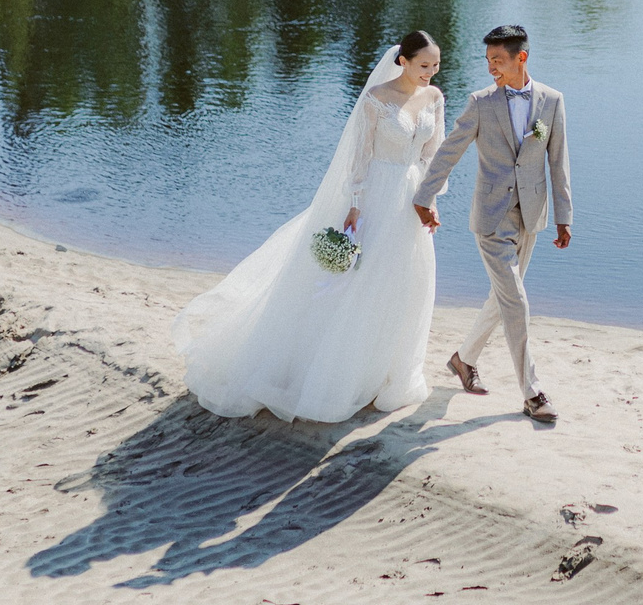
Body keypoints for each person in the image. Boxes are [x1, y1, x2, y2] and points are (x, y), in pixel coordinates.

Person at [170, 32, 445, 423]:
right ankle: (345, 374)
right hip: (379, 198)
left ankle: (392, 374)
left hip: (412, 198)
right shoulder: (377, 100)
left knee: (407, 282)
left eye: (436, 66)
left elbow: (435, 153)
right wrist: (354, 205)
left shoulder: (434, 98)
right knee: (363, 283)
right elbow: (359, 158)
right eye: (424, 65)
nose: (430, 74)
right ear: (403, 60)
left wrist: (429, 198)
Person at [413, 24, 574, 423]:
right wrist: (424, 197)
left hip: (531, 216)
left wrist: (564, 217)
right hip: (491, 220)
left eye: (498, 61)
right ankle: (532, 393)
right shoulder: (481, 103)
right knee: (516, 301)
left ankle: (463, 360)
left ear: (522, 58)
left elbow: (558, 162)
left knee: (501, 300)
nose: (491, 69)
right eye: (487, 61)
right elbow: (449, 151)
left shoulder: (552, 102)